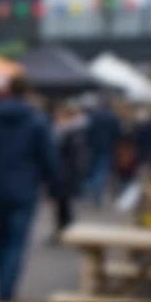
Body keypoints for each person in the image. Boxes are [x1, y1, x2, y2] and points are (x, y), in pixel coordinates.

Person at [0, 75, 57, 302]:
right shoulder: (37, 121)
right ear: (28, 92)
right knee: (15, 244)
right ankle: (6, 292)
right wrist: (51, 184)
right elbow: (48, 158)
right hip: (24, 191)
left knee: (0, 243)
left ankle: (0, 289)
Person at [51, 100, 89, 237]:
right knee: (62, 204)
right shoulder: (66, 130)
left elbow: (76, 156)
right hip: (64, 173)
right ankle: (63, 229)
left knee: (64, 204)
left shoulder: (71, 131)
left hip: (66, 173)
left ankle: (66, 229)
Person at [82, 93, 121, 207]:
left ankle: (90, 191)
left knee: (92, 169)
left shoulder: (94, 116)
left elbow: (87, 131)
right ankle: (96, 194)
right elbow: (117, 133)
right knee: (101, 170)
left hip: (93, 146)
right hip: (107, 147)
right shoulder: (113, 117)